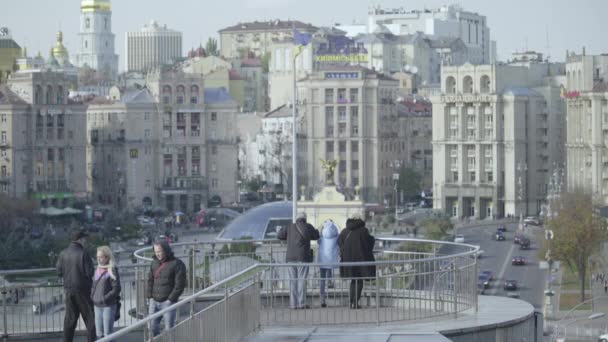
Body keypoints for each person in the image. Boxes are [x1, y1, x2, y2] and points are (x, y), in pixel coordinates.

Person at [56, 230, 96, 342]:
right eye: (85, 239)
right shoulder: (83, 253)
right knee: (90, 319)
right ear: (80, 240)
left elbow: (59, 271)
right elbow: (90, 272)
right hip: (83, 291)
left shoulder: (63, 253)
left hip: (68, 290)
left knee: (70, 320)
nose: (86, 241)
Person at [277, 212, 320, 309]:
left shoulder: (289, 227)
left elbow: (279, 235)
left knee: (293, 281)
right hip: (303, 257)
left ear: (296, 219)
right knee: (302, 280)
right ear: (305, 218)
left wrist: (287, 237)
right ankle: (301, 303)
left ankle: (293, 304)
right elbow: (317, 235)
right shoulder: (308, 227)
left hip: (290, 258)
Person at [147, 240, 187, 337]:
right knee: (152, 327)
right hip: (154, 301)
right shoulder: (154, 263)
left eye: (159, 251)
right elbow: (150, 280)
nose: (158, 254)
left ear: (166, 250)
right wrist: (150, 296)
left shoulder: (177, 263)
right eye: (156, 252)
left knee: (169, 329)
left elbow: (180, 284)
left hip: (168, 302)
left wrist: (171, 299)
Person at [338, 213, 376, 309]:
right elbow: (369, 242)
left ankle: (351, 302)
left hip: (348, 260)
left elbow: (339, 242)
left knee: (353, 281)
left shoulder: (344, 231)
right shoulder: (363, 231)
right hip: (360, 259)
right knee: (359, 281)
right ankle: (355, 303)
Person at [92, 246, 121, 340]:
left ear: (107, 257)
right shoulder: (97, 269)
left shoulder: (112, 269)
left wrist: (104, 298)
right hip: (97, 305)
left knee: (108, 333)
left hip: (108, 306)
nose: (98, 259)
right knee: (99, 333)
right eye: (97, 257)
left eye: (101, 257)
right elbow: (94, 286)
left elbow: (116, 288)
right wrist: (92, 296)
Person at [317, 220, 339, 308]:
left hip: (322, 259)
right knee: (330, 269)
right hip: (331, 259)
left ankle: (322, 298)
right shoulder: (336, 236)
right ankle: (330, 281)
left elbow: (318, 242)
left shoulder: (322, 236)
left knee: (322, 279)